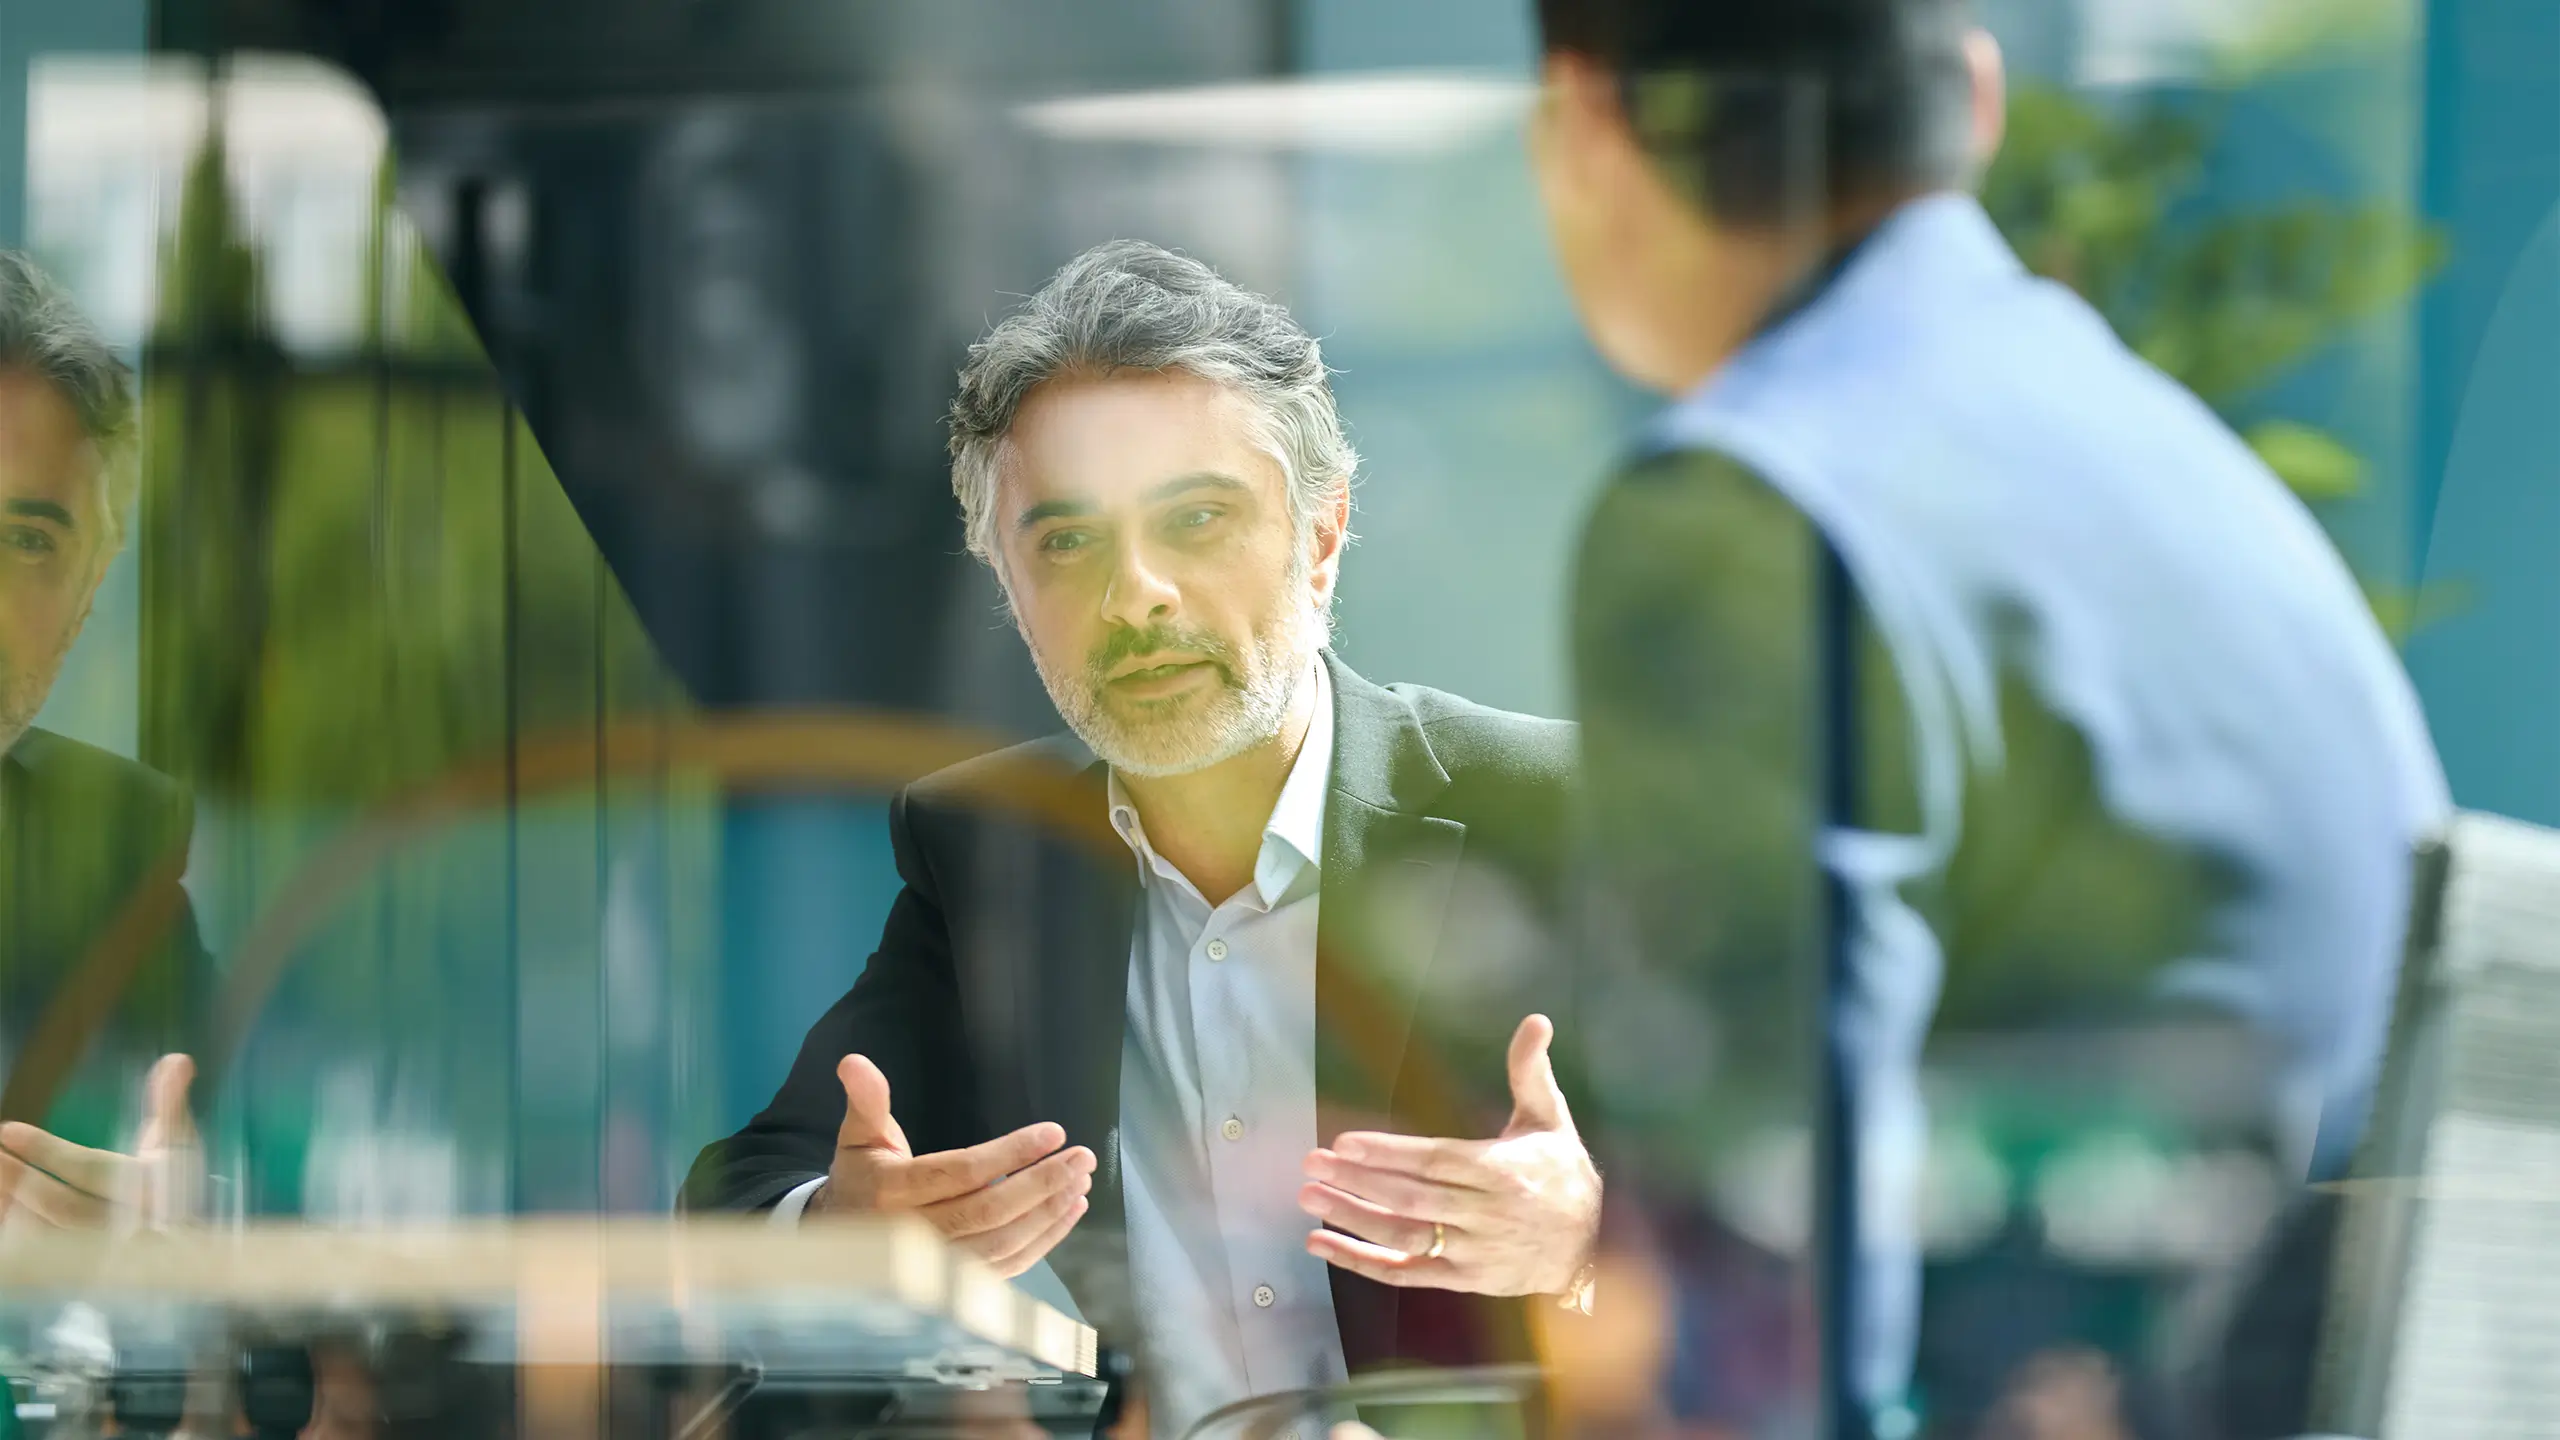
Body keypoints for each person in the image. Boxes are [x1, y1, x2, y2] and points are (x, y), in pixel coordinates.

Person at [1522, 0, 2449, 1431]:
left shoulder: (1746, 501)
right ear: (1977, 93)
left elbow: (1766, 1285)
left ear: (1585, 123)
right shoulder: (2181, 468)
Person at [685, 241, 1599, 1440]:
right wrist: (842, 1237)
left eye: (1196, 519)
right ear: (1008, 586)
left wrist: (1585, 1237)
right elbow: (748, 1192)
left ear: (1322, 538)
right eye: (1065, 543)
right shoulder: (994, 853)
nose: (1135, 596)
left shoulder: (1551, 810)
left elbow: (1792, 1222)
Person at [0, 248, 208, 1227]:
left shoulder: (121, 872)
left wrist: (174, 1240)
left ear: (86, 593)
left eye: (27, 541)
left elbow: (239, 1199)